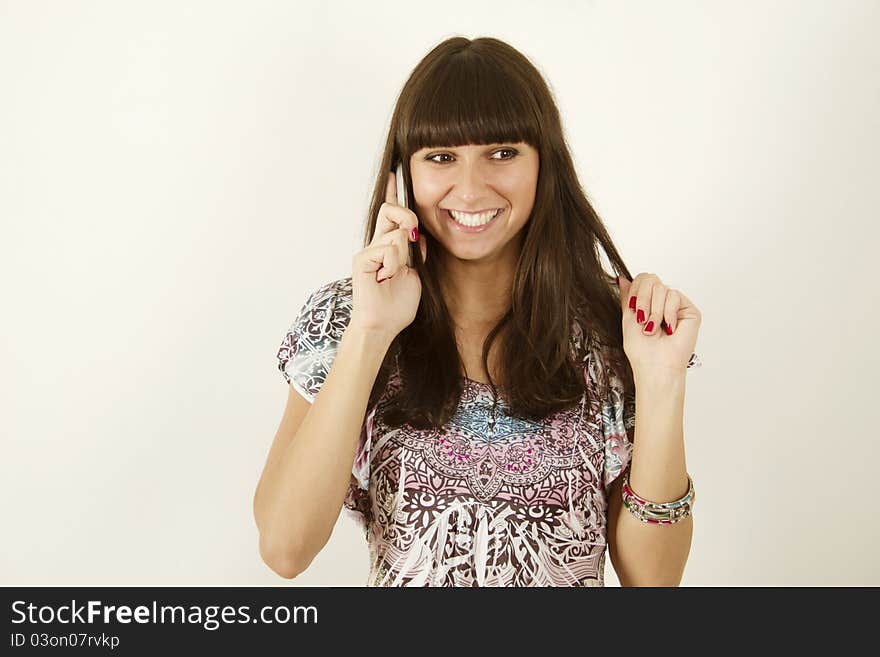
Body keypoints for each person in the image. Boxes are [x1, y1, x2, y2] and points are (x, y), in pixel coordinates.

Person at [253, 36, 702, 587]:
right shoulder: (346, 317)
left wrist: (659, 383)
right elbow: (284, 548)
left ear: (545, 164)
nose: (469, 189)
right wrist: (372, 331)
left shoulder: (613, 328)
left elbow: (653, 582)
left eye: (502, 153)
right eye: (441, 158)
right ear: (402, 175)